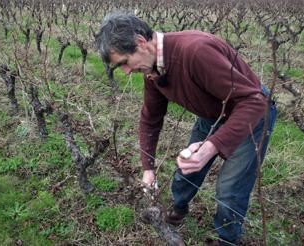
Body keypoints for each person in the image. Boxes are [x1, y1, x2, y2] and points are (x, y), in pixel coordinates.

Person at [96, 12, 276, 245]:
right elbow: (150, 119)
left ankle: (227, 239)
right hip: (212, 114)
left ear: (141, 42)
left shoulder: (195, 51)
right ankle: (178, 209)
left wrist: (211, 146)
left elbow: (254, 101)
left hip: (252, 116)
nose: (126, 72)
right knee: (186, 170)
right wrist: (148, 169)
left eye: (124, 63)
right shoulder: (152, 70)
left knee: (229, 191)